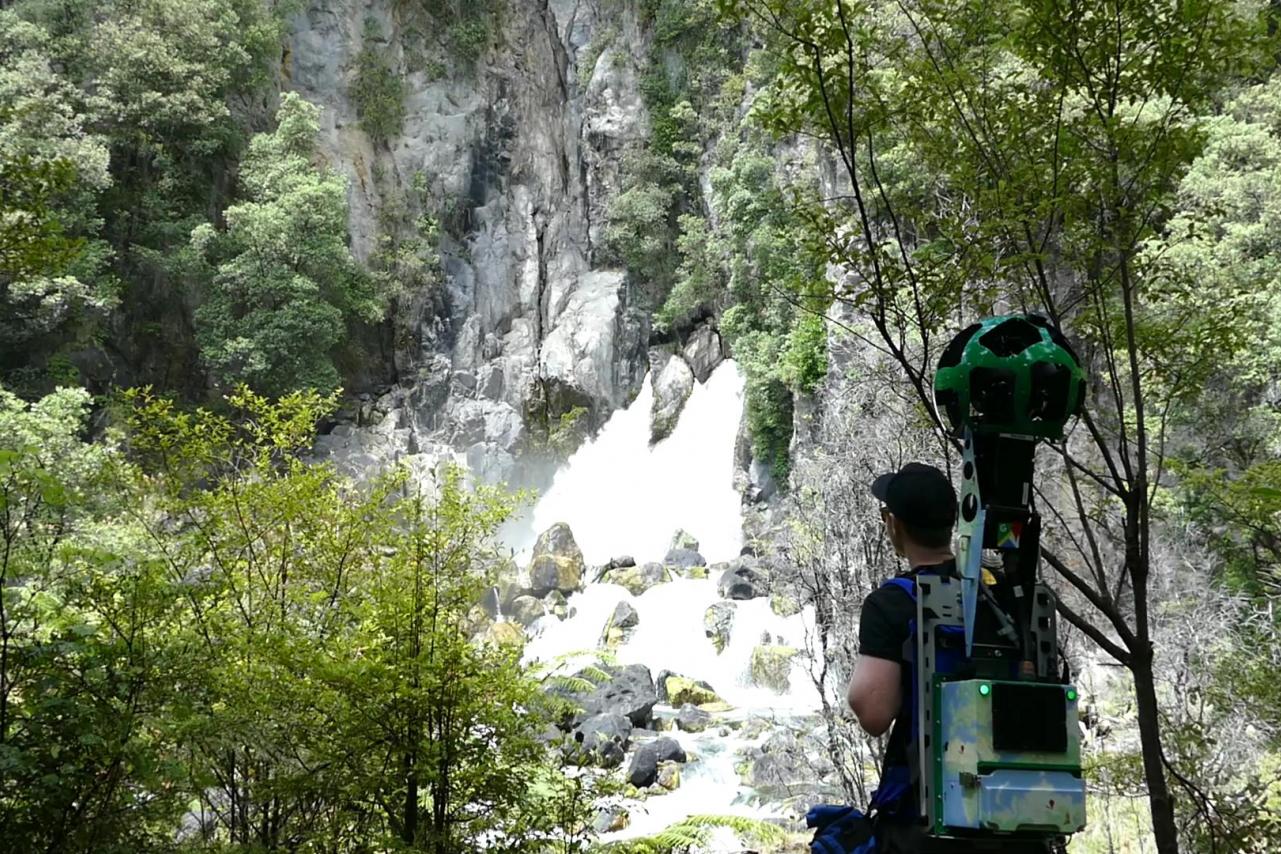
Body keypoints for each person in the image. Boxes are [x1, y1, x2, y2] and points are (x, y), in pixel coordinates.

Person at [846, 463, 1053, 854]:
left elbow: (873, 713)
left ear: (894, 525)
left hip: (927, 824)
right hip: (1020, 813)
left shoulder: (891, 603)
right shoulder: (1005, 596)